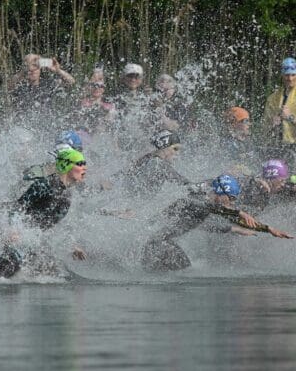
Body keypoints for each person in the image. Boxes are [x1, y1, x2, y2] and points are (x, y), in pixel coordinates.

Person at [0, 148, 88, 279]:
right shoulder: (45, 184)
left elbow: (53, 225)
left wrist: (71, 246)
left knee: (59, 278)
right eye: (80, 163)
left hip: (37, 245)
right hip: (21, 242)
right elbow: (18, 207)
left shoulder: (67, 194)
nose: (84, 168)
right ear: (66, 164)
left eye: (85, 163)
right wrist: (14, 229)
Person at [140, 175, 292, 272]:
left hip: (161, 243)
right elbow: (209, 208)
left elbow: (204, 224)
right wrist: (238, 212)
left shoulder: (206, 205)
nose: (232, 203)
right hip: (159, 244)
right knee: (186, 271)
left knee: (183, 270)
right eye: (231, 198)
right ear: (221, 193)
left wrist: (267, 229)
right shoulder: (197, 201)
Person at [116, 129, 191, 195]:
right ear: (164, 147)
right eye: (175, 149)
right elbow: (183, 182)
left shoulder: (147, 158)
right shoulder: (158, 164)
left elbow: (119, 177)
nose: (177, 153)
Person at [10, 53, 75, 121]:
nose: (32, 70)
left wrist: (58, 71)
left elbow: (71, 82)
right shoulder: (20, 86)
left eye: (35, 66)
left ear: (40, 68)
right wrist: (24, 71)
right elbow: (8, 87)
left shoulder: (47, 84)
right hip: (23, 125)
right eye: (29, 66)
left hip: (45, 124)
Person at [263, 57, 296, 153]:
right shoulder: (273, 98)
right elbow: (264, 128)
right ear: (282, 75)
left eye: (293, 75)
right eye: (287, 75)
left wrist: (290, 118)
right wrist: (271, 123)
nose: (290, 78)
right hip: (277, 147)